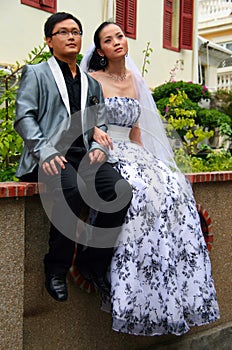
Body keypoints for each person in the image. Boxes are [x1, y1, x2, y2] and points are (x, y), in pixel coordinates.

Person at [76, 21, 220, 336]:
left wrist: (151, 161)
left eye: (120, 36)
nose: (116, 42)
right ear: (100, 50)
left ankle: (169, 291)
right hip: (106, 151)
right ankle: (125, 287)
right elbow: (84, 122)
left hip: (132, 150)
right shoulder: (91, 80)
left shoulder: (135, 80)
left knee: (171, 187)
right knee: (137, 192)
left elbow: (137, 130)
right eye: (107, 40)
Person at [14, 13, 132, 302]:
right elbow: (24, 117)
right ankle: (55, 267)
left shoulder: (92, 84)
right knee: (71, 189)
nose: (71, 37)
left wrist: (98, 147)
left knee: (121, 190)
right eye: (63, 32)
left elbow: (101, 124)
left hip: (85, 156)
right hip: (50, 156)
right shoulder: (36, 73)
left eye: (76, 32)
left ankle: (93, 260)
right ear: (49, 40)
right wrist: (44, 150)